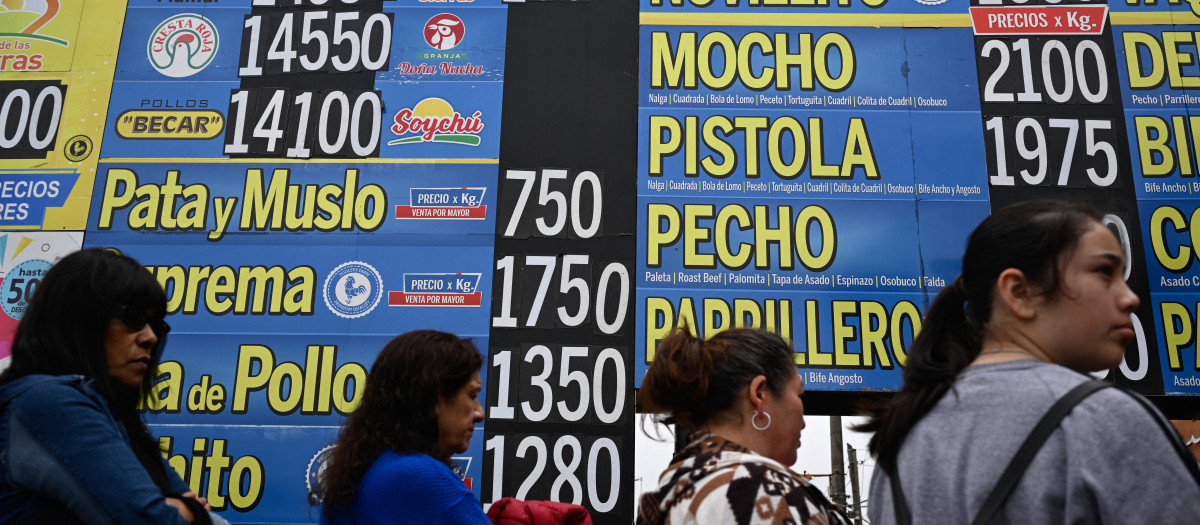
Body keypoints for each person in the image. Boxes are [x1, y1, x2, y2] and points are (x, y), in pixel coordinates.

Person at [858, 200, 1200, 523]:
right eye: (1103, 272)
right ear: (1018, 293)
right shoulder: (1106, 420)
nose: (1130, 298)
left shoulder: (900, 445)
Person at [0, 248, 215, 523]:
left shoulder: (118, 419)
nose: (149, 337)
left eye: (156, 326)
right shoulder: (50, 402)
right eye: (133, 319)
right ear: (78, 319)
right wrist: (187, 510)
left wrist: (183, 510)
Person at [636, 327, 850, 525]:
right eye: (799, 394)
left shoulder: (673, 496)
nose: (803, 421)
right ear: (759, 393)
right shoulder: (770, 496)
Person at [312, 330, 489, 525]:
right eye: (472, 396)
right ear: (433, 398)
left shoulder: (362, 469)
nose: (480, 413)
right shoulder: (422, 477)